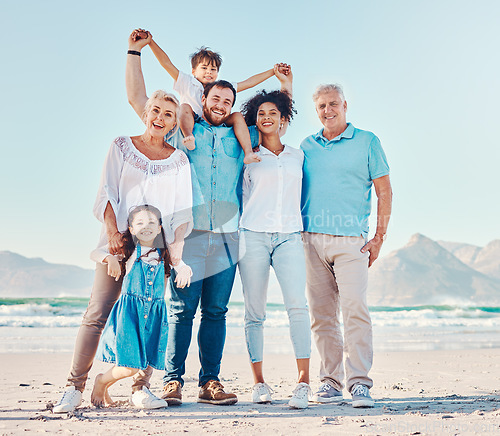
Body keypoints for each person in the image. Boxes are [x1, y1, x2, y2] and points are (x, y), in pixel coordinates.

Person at [126, 29, 293, 406]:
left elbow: (274, 122)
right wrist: (136, 52)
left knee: (216, 312)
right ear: (204, 99)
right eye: (215, 97)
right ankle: (172, 380)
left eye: (227, 100)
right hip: (189, 235)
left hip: (228, 236)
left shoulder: (242, 136)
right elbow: (140, 101)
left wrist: (285, 85)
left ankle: (210, 382)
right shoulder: (184, 129)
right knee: (181, 311)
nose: (220, 104)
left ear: (233, 106)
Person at [53, 90, 193, 413]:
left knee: (151, 315)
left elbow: (181, 212)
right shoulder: (121, 147)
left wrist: (176, 255)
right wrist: (113, 234)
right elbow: (107, 193)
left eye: (168, 114)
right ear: (146, 114)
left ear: (174, 123)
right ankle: (74, 388)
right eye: (155, 110)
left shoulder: (179, 160)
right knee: (97, 312)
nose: (160, 118)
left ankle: (141, 388)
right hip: (118, 243)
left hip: (155, 252)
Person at [301, 84, 392, 408]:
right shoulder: (306, 146)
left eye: (333, 104)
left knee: (355, 309)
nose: (328, 110)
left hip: (352, 241)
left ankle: (359, 384)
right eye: (322, 106)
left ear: (345, 105)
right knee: (322, 316)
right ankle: (330, 382)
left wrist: (378, 237)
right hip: (311, 241)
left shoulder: (367, 141)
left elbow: (384, 191)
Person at [238, 89, 312, 409]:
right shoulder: (247, 156)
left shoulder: (298, 156)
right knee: (255, 312)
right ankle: (258, 383)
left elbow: (306, 194)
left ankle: (303, 382)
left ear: (283, 119)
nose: (266, 117)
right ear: (254, 121)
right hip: (252, 236)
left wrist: (287, 83)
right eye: (260, 114)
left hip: (289, 238)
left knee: (297, 306)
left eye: (273, 112)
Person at [132, 29, 288, 163]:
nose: (209, 72)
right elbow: (166, 63)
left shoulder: (221, 88)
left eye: (213, 69)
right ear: (193, 71)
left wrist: (272, 72)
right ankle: (188, 137)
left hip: (217, 119)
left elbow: (249, 82)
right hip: (193, 119)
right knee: (184, 107)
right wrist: (150, 43)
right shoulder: (187, 82)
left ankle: (248, 152)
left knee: (237, 116)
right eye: (204, 68)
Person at [91, 204, 193, 409]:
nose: (146, 226)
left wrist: (185, 270)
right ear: (130, 228)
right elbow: (94, 252)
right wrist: (109, 257)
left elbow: (180, 265)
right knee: (129, 366)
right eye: (139, 223)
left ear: (159, 227)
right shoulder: (128, 251)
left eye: (151, 222)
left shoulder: (165, 254)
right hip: (131, 313)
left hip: (154, 314)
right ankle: (101, 381)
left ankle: (136, 389)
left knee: (146, 361)